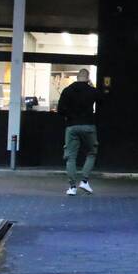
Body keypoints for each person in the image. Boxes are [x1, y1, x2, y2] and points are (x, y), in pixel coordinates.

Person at [58, 68, 100, 196]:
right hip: (88, 126)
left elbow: (60, 109)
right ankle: (85, 181)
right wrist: (92, 86)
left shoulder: (67, 90)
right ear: (88, 78)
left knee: (71, 157)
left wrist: (69, 116)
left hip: (71, 126)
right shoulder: (91, 90)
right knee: (92, 152)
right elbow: (103, 100)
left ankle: (72, 187)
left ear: (77, 77)